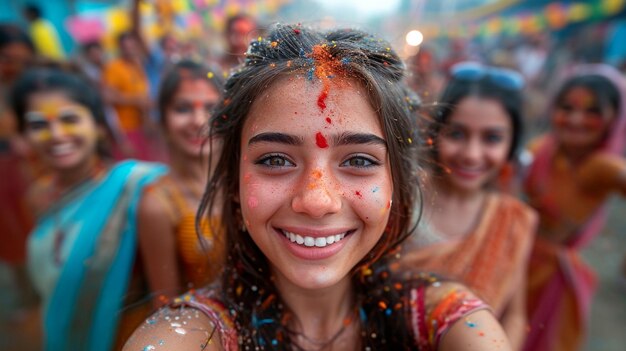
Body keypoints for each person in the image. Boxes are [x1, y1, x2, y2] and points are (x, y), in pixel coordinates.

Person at [124, 24, 512, 350]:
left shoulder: (443, 318)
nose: (316, 201)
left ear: (397, 183)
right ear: (234, 184)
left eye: (359, 161)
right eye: (275, 160)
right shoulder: (193, 335)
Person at [10, 68, 166, 350]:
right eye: (38, 125)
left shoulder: (138, 188)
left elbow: (166, 293)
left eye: (69, 119)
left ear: (97, 125)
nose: (56, 135)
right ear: (23, 136)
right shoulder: (38, 196)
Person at [400, 61, 536, 350]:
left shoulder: (515, 220)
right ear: (436, 134)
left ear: (512, 145)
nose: (472, 155)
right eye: (457, 134)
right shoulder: (400, 193)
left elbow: (514, 313)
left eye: (492, 138)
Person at [522, 64, 626, 351]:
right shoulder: (540, 149)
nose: (576, 119)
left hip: (548, 285)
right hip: (515, 259)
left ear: (613, 119)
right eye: (566, 107)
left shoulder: (602, 167)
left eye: (592, 111)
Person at [137, 60, 226, 306]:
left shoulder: (249, 179)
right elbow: (167, 303)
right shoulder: (158, 204)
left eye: (211, 108)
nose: (199, 121)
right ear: (163, 121)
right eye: (183, 109)